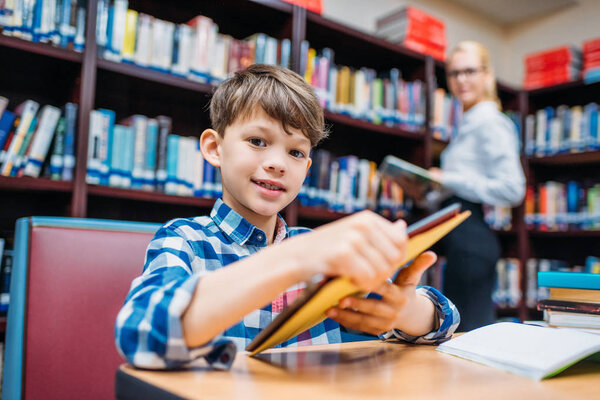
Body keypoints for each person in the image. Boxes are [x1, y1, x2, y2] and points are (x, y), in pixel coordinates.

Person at [115, 64, 459, 370]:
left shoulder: (322, 252)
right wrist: (292, 258)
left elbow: (447, 321)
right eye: (257, 141)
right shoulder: (185, 239)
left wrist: (406, 311)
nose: (278, 163)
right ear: (214, 148)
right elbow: (141, 334)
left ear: (306, 169)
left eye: (295, 152)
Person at [428, 41, 526, 331]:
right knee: (458, 335)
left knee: (469, 336)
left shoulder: (492, 123)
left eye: (469, 71)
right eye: (454, 73)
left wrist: (448, 179)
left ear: (487, 74)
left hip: (472, 241)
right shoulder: (467, 124)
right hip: (457, 237)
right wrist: (426, 192)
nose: (461, 80)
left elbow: (513, 188)